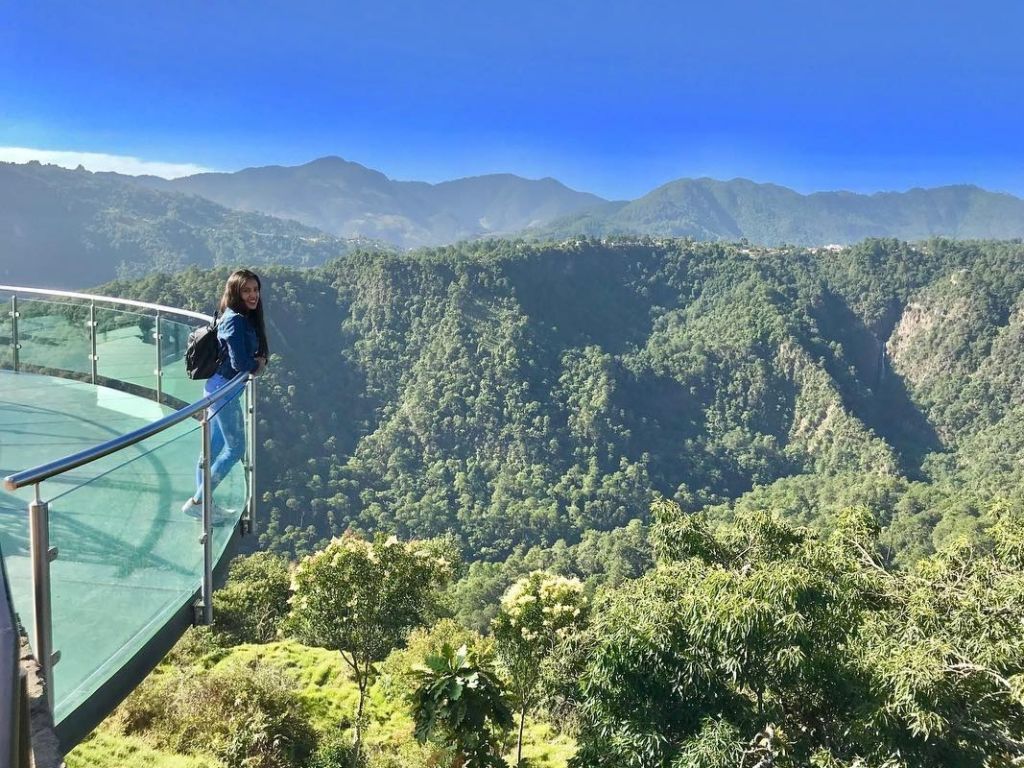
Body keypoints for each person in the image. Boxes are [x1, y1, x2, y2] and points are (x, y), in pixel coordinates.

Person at [182, 269, 268, 518]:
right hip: (224, 390)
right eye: (246, 290)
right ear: (235, 292)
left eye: (255, 289)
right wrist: (257, 366)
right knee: (235, 449)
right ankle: (198, 502)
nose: (253, 295)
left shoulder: (239, 316)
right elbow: (240, 363)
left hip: (220, 387)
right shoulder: (235, 320)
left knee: (212, 448)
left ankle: (204, 504)